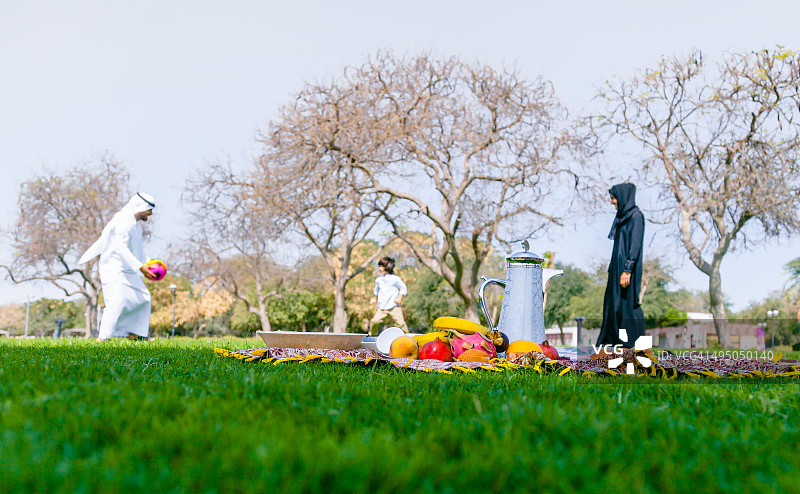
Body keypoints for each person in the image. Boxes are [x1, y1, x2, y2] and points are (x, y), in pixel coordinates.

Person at [79, 193, 158, 342]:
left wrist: (148, 263)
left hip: (128, 269)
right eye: (149, 210)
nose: (151, 214)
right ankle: (103, 338)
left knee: (144, 298)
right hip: (113, 268)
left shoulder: (136, 226)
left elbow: (138, 251)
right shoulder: (123, 221)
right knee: (118, 301)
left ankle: (135, 335)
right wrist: (140, 267)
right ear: (141, 207)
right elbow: (120, 248)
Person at [596, 183, 646, 347]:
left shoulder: (636, 216)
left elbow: (635, 244)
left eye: (613, 198)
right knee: (613, 305)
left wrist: (628, 269)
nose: (612, 202)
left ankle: (635, 344)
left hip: (627, 269)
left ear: (623, 197)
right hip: (616, 269)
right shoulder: (621, 217)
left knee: (628, 305)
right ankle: (612, 343)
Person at [368, 257, 408, 335]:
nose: (380, 268)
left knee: (401, 323)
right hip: (382, 307)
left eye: (382, 266)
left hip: (394, 306)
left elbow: (403, 287)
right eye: (379, 266)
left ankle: (407, 337)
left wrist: (399, 297)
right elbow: (376, 291)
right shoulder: (379, 280)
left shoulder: (395, 279)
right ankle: (372, 336)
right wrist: (374, 298)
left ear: (388, 267)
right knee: (374, 321)